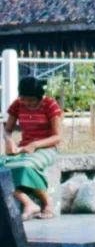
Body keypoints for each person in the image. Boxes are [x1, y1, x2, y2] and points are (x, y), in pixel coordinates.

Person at [4, 77, 63, 220]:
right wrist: (9, 141)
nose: (27, 103)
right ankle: (28, 203)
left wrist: (35, 145)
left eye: (31, 100)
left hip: (46, 148)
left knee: (26, 166)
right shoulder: (17, 105)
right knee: (3, 170)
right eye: (24, 99)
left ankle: (47, 203)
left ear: (39, 97)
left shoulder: (50, 105)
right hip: (24, 147)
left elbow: (58, 137)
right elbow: (7, 130)